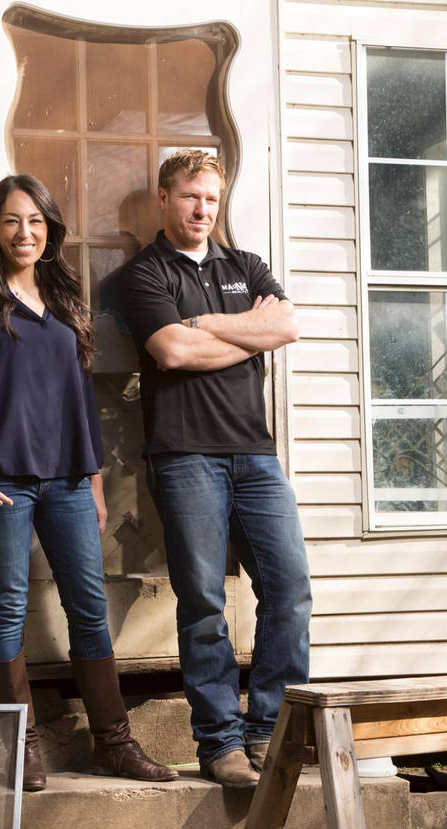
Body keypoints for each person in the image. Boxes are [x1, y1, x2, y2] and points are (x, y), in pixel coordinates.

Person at [0, 173, 177, 792]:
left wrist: (93, 480)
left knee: (88, 607)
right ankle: (20, 748)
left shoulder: (65, 298)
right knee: (7, 608)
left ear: (50, 230)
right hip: (0, 482)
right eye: (13, 220)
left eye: (36, 221)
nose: (25, 232)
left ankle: (114, 745)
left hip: (68, 480)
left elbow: (78, 400)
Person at [119, 150, 312, 788]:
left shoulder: (245, 265)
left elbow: (285, 326)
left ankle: (269, 731)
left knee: (289, 591)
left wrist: (204, 324)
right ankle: (220, 742)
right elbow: (172, 351)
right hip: (184, 455)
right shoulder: (143, 274)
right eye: (189, 197)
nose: (202, 209)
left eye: (211, 198)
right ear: (164, 198)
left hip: (255, 454)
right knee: (203, 602)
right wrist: (244, 330)